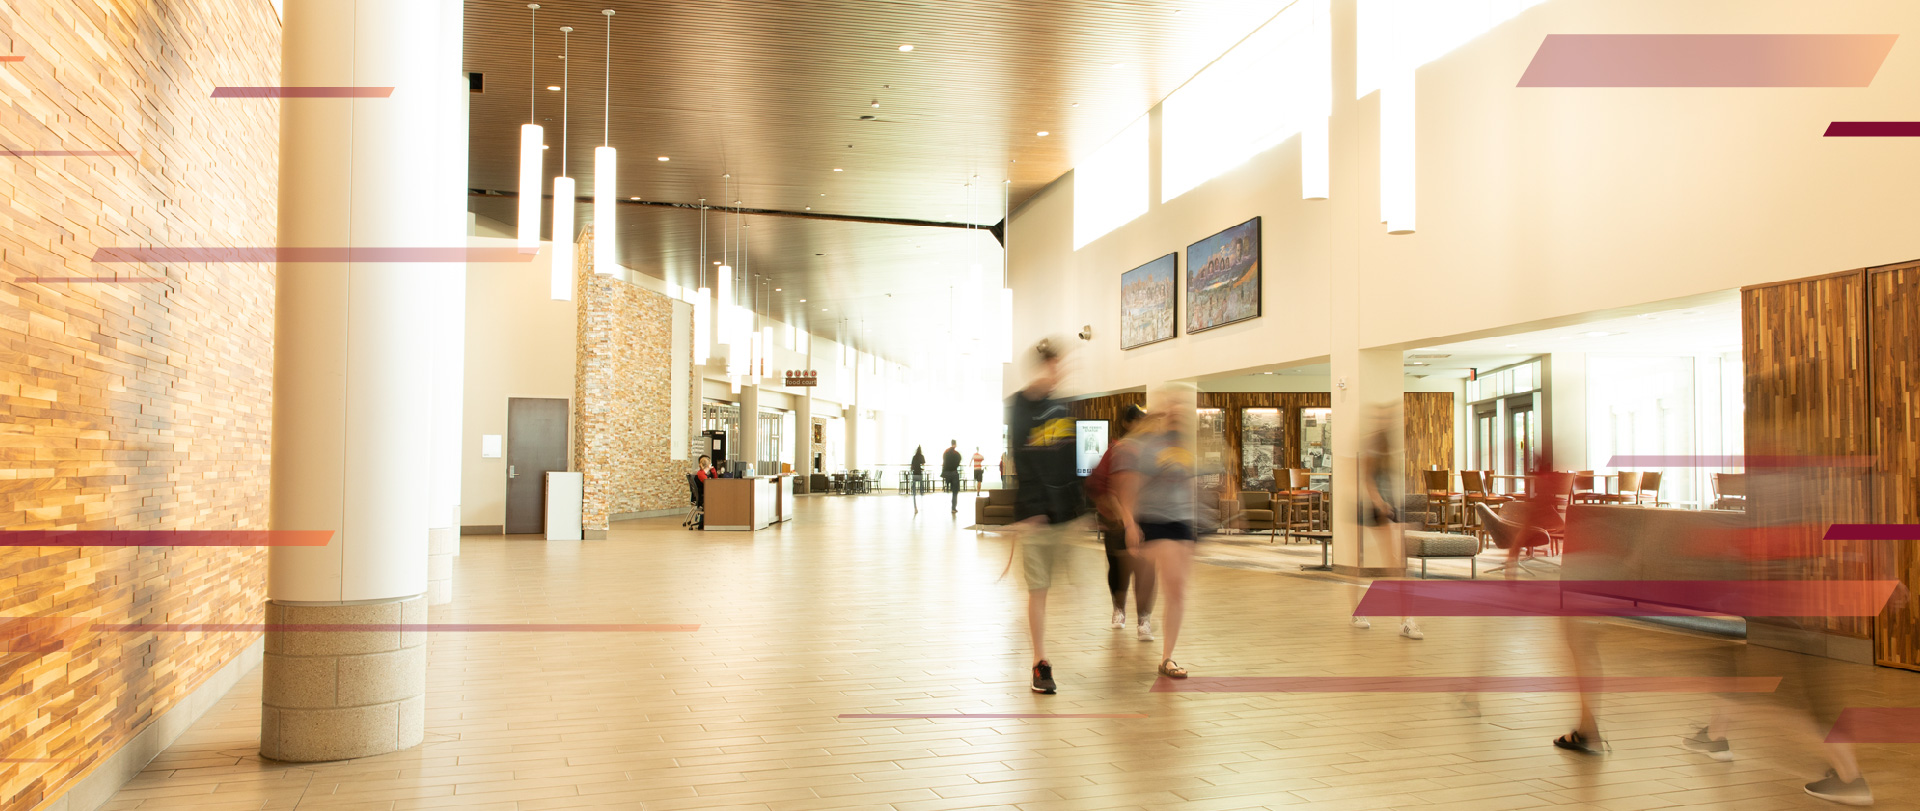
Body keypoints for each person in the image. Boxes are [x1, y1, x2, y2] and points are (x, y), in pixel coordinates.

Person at [1006, 338, 1082, 694]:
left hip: (1063, 516)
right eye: (1055, 366)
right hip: (1036, 516)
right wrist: (1031, 511)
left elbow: (1070, 461)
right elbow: (1023, 463)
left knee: (1063, 590)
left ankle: (1035, 644)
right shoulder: (1019, 408)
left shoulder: (1062, 410)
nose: (1059, 373)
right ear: (1041, 367)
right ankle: (1040, 663)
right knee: (1039, 590)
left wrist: (1081, 510)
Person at [1114, 384, 1199, 679]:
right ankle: (1142, 621)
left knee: (1177, 591)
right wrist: (1129, 523)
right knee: (1172, 580)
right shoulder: (1149, 445)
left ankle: (1167, 658)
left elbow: (1188, 484)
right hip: (1154, 520)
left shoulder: (1186, 446)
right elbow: (1130, 487)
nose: (1178, 414)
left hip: (1182, 521)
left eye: (1182, 408)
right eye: (1172, 408)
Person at [1352, 409, 1424, 640]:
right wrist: (1379, 503)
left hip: (1387, 507)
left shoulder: (1391, 451)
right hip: (1372, 508)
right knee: (1360, 562)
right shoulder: (1371, 448)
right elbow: (1367, 479)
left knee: (1395, 565)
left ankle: (1405, 620)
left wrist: (1399, 514)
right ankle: (1358, 613)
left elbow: (1391, 482)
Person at [1087, 404, 1153, 641]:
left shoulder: (1148, 452)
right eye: (1137, 421)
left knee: (1146, 570)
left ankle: (1144, 618)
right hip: (1115, 520)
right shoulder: (1115, 450)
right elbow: (1100, 486)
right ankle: (1119, 607)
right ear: (1128, 423)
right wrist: (1120, 516)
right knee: (1117, 568)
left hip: (1144, 519)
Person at [942, 440, 963, 513]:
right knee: (955, 491)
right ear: (955, 444)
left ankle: (947, 487)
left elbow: (944, 461)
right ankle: (953, 508)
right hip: (954, 472)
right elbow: (959, 460)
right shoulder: (957, 454)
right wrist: (955, 466)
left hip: (946, 473)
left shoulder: (946, 452)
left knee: (949, 487)